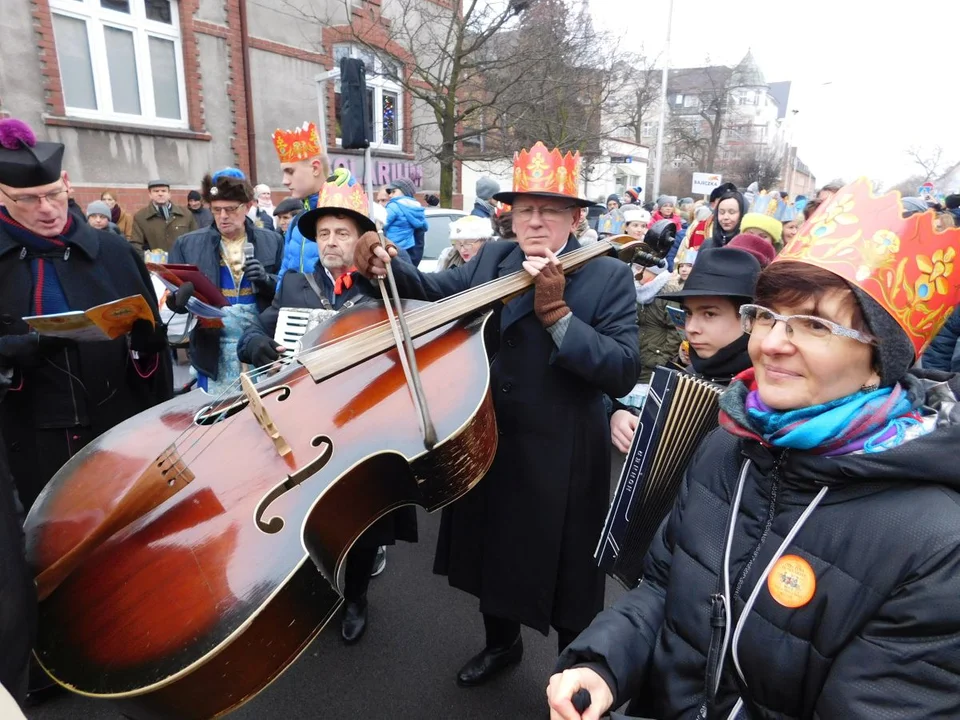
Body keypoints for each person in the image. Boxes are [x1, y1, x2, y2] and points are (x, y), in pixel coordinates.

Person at [548, 179, 960, 720]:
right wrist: (603, 664)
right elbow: (665, 588)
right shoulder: (727, 447)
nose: (769, 342)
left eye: (813, 324)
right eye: (766, 315)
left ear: (878, 362)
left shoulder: (936, 548)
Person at [354, 141, 640, 684]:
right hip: (492, 438)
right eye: (525, 209)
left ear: (575, 217)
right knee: (494, 554)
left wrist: (557, 316)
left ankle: (575, 676)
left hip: (563, 456)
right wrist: (386, 262)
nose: (534, 220)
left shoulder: (607, 276)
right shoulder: (493, 258)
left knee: (569, 580)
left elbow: (623, 368)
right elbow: (438, 294)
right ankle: (501, 646)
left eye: (549, 210)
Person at [236, 177, 416, 645]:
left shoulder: (384, 287)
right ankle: (310, 586)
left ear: (362, 240)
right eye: (324, 234)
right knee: (306, 513)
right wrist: (257, 345)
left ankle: (355, 596)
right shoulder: (295, 285)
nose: (332, 242)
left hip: (364, 421)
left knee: (361, 516)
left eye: (342, 233)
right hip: (304, 421)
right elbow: (257, 330)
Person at [0, 117, 172, 509]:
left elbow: (151, 358)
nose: (46, 210)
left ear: (66, 182)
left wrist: (147, 345)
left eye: (54, 194)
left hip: (114, 427)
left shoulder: (113, 252)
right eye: (28, 200)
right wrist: (9, 351)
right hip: (28, 435)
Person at [168, 169, 282, 395]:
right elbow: (173, 299)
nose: (222, 216)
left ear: (248, 206)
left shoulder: (273, 240)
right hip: (212, 346)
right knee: (217, 418)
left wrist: (267, 280)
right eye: (216, 209)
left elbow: (288, 291)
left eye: (230, 209)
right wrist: (177, 301)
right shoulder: (186, 244)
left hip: (258, 344)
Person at [273, 122, 329, 290]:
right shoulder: (297, 220)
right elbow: (285, 271)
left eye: (290, 171)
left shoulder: (345, 216)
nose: (284, 181)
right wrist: (278, 309)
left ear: (315, 168)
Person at [131, 179, 197, 255]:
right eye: (156, 191)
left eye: (163, 191)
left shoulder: (186, 214)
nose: (160, 194)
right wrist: (148, 258)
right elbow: (135, 245)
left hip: (181, 264)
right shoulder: (141, 217)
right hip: (154, 265)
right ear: (150, 194)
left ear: (169, 194)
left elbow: (195, 240)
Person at [384, 177, 428, 265]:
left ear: (404, 191)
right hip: (408, 247)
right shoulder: (417, 208)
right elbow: (424, 226)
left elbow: (382, 222)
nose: (390, 195)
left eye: (393, 191)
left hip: (392, 246)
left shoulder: (394, 206)